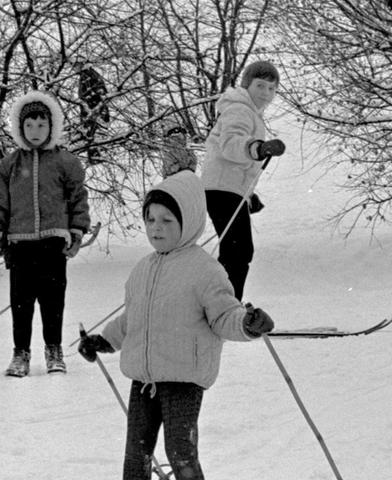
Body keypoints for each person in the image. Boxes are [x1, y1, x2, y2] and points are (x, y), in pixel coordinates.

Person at [78, 170, 275, 480]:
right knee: (136, 452)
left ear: (189, 221)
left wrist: (247, 324)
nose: (156, 228)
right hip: (143, 381)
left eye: (167, 220)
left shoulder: (205, 271)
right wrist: (103, 341)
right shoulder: (143, 269)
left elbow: (224, 316)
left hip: (183, 380)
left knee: (180, 450)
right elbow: (133, 319)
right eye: (150, 219)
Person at [0, 90, 91, 377]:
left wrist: (77, 231)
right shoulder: (10, 164)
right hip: (19, 244)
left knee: (53, 300)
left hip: (54, 242)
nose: (35, 131)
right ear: (20, 128)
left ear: (52, 126)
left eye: (41, 125)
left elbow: (78, 199)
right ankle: (21, 353)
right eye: (29, 125)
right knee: (21, 301)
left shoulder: (66, 162)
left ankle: (53, 349)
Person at [201, 60, 286, 300]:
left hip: (226, 189)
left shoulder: (248, 112)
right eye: (260, 86)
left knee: (236, 250)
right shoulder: (240, 109)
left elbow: (233, 160)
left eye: (271, 88)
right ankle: (224, 309)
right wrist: (258, 148)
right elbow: (231, 145)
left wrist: (247, 195)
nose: (266, 93)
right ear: (247, 85)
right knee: (238, 251)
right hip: (221, 189)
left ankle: (224, 306)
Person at [74, 56, 110, 164]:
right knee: (90, 134)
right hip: (91, 109)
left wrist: (91, 109)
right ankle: (94, 157)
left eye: (76, 66)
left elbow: (97, 93)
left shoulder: (88, 75)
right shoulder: (86, 75)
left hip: (93, 110)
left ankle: (96, 158)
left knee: (93, 133)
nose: (74, 69)